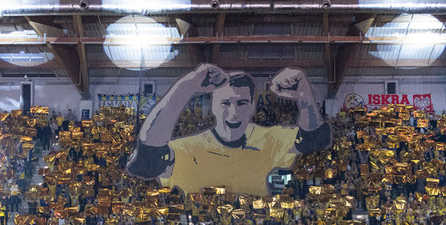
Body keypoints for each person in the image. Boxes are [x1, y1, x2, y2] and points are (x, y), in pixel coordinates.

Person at [127, 64, 331, 196]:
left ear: (252, 105)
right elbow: (147, 162)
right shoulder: (188, 148)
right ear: (213, 105)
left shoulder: (267, 139)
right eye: (226, 103)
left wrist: (304, 94)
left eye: (242, 103)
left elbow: (314, 139)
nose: (234, 113)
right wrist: (187, 85)